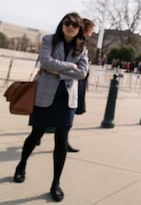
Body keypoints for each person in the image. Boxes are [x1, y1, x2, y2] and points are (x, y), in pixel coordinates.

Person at [13, 12, 89, 202]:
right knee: (36, 134)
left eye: (75, 24)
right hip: (45, 97)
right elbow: (45, 61)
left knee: (61, 141)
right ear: (62, 24)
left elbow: (82, 73)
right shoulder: (49, 40)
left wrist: (59, 71)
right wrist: (70, 67)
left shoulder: (82, 48)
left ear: (79, 28)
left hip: (66, 100)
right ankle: (21, 165)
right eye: (67, 22)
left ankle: (55, 183)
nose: (70, 26)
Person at [68, 18, 95, 152]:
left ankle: (63, 138)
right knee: (69, 110)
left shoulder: (82, 43)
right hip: (73, 80)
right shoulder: (77, 43)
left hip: (79, 79)